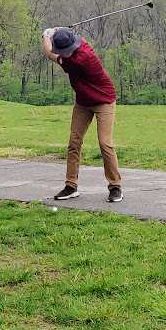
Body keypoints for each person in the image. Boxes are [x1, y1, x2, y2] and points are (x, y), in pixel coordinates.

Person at [42, 26, 123, 202]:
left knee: (105, 143)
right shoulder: (80, 44)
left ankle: (115, 186)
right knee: (74, 142)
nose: (66, 54)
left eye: (67, 51)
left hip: (104, 100)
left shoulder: (79, 60)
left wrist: (46, 34)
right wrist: (58, 30)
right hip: (83, 102)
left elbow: (49, 53)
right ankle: (71, 186)